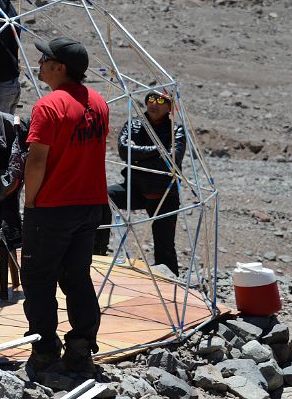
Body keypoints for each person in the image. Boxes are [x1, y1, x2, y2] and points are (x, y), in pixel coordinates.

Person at [21, 36, 109, 378]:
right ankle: (82, 345)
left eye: (45, 59)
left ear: (59, 67)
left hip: (53, 206)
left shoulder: (49, 106)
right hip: (90, 204)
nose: (39, 63)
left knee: (39, 279)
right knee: (78, 277)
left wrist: (31, 202)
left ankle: (44, 351)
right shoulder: (98, 102)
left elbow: (37, 159)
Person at [99, 89, 186, 275]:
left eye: (160, 100)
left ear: (169, 108)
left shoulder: (176, 130)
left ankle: (170, 285)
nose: (154, 103)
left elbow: (172, 159)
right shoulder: (134, 124)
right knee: (103, 196)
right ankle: (98, 250)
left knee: (164, 244)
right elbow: (124, 151)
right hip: (135, 189)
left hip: (164, 193)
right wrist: (159, 150)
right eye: (151, 99)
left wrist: (139, 155)